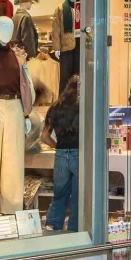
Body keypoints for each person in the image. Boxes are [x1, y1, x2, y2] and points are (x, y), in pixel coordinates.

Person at [41, 76, 81, 231]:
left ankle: (52, 229)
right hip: (79, 154)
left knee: (59, 197)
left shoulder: (55, 107)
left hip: (61, 155)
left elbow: (44, 136)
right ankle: (74, 233)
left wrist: (59, 146)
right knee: (78, 198)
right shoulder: (82, 107)